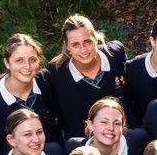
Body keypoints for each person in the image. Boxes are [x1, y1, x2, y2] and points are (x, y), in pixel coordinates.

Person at [45, 14, 128, 142]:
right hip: (83, 145)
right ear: (67, 46)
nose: (83, 50)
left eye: (87, 42)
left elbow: (128, 94)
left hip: (122, 136)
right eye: (75, 44)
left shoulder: (115, 54)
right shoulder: (55, 74)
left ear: (95, 38)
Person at [63, 97, 149, 155]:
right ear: (90, 125)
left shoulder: (139, 142)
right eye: (104, 122)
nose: (111, 128)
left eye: (117, 123)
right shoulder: (73, 148)